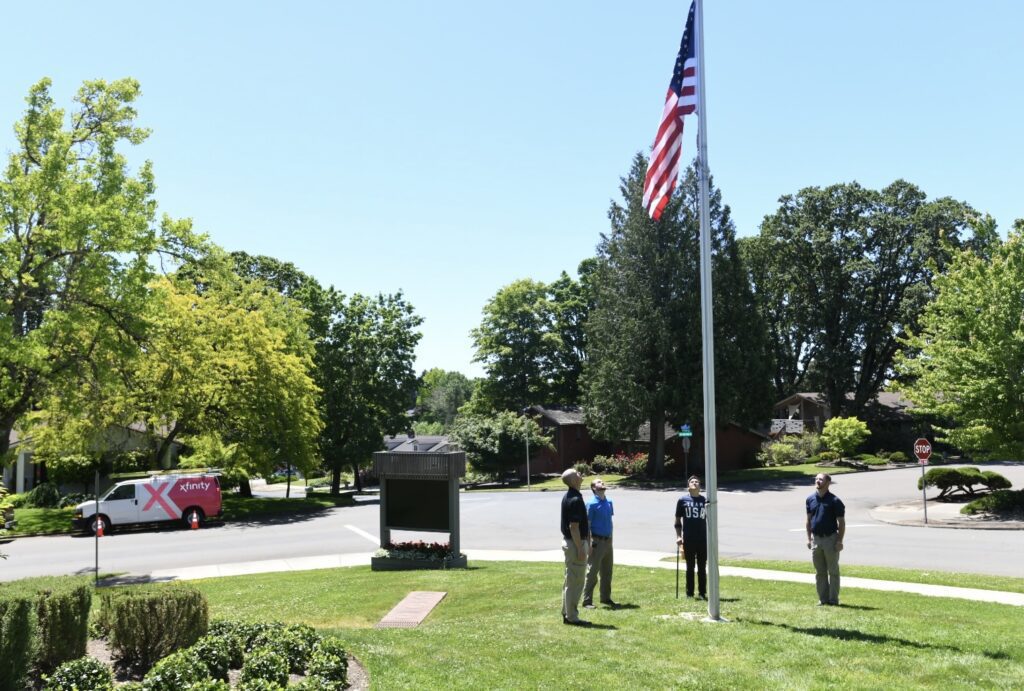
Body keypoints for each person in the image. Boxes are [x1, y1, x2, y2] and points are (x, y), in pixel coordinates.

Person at [806, 472, 846, 606]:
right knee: (820, 572)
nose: (817, 481)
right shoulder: (810, 499)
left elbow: (841, 523)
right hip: (816, 539)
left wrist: (839, 541)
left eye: (821, 479)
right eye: (816, 479)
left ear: (828, 483)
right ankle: (823, 599)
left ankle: (833, 600)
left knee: (833, 571)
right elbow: (808, 520)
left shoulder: (835, 501)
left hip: (831, 539)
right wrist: (808, 539)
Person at [560, 468, 590, 625]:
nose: (581, 474)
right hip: (574, 543)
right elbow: (574, 527)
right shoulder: (575, 499)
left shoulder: (571, 496)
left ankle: (567, 613)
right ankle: (572, 617)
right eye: (578, 473)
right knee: (576, 581)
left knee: (570, 580)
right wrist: (580, 548)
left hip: (572, 542)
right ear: (573, 481)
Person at [582, 478, 617, 609]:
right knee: (592, 572)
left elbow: (610, 522)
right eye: (599, 482)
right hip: (596, 542)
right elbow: (587, 526)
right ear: (593, 488)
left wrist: (611, 539)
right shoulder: (591, 504)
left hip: (608, 541)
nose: (602, 483)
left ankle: (606, 598)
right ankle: (587, 601)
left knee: (607, 572)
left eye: (603, 481)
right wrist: (589, 544)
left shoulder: (609, 502)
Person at [674, 475, 707, 599]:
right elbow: (677, 520)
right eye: (692, 482)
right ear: (688, 486)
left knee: (702, 567)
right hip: (689, 538)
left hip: (702, 538)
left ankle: (702, 592)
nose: (695, 483)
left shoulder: (705, 501)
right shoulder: (682, 500)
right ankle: (689, 593)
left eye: (697, 482)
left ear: (700, 486)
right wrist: (678, 536)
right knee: (690, 567)